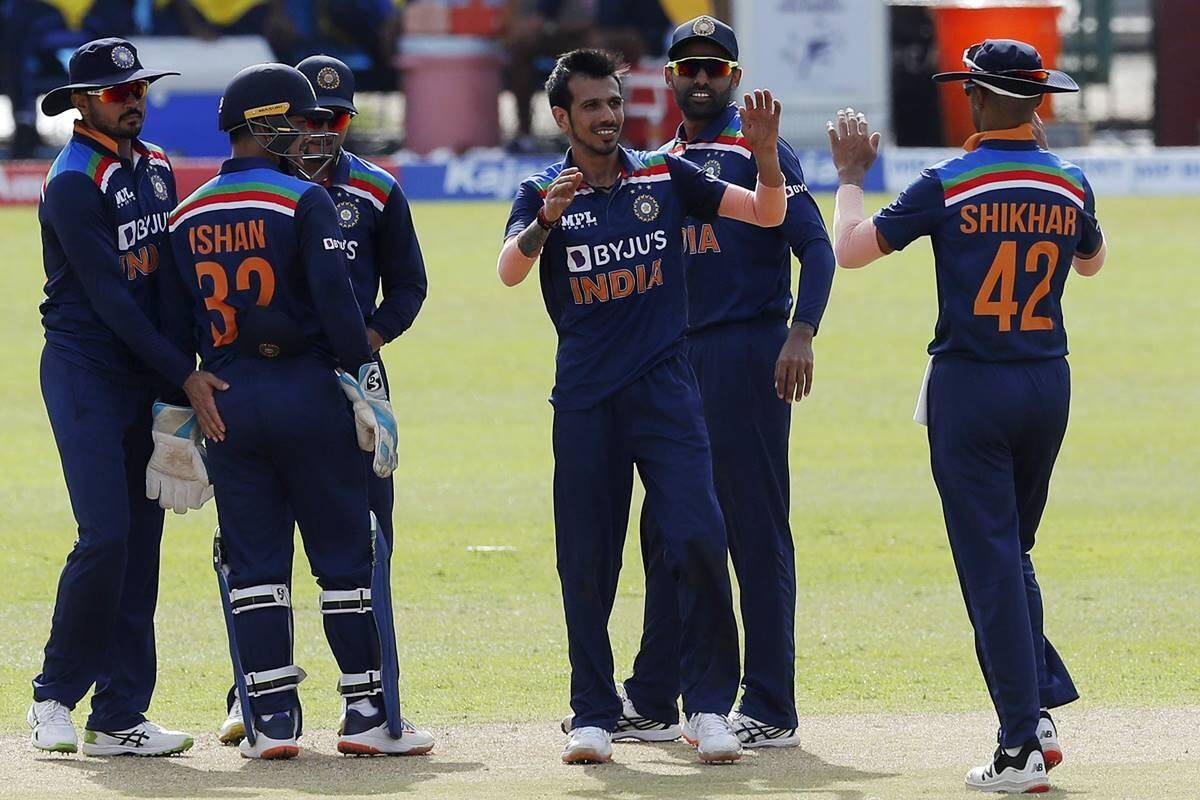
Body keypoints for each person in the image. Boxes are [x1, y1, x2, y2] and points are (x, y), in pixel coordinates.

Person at [827, 39, 1106, 793]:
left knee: (989, 567)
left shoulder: (947, 182)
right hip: (1048, 383)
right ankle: (1037, 712)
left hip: (973, 386)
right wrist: (1044, 169)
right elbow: (1090, 261)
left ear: (977, 98)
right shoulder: (1071, 181)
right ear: (1038, 102)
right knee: (1011, 553)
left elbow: (849, 252)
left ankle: (1018, 747)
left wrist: (850, 178)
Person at [497, 47, 789, 765]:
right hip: (589, 401)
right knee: (587, 562)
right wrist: (545, 224)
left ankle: (711, 708)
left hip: (667, 395)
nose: (607, 117)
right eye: (592, 106)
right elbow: (509, 270)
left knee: (697, 537)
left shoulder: (663, 172)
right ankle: (593, 713)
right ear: (563, 116)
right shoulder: (543, 189)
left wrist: (767, 156)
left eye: (614, 104)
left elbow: (765, 211)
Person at [161, 62, 432, 759]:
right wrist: (354, 373)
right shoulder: (301, 200)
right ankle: (367, 716)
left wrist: (192, 388)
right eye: (296, 119)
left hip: (225, 402)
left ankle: (271, 722)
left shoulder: (187, 212)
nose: (307, 132)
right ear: (267, 125)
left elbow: (174, 326)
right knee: (345, 556)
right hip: (311, 391)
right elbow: (343, 318)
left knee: (253, 564)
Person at [611, 15, 835, 749]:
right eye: (688, 68)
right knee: (667, 527)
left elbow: (817, 250)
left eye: (714, 68)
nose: (701, 79)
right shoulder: (661, 160)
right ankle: (653, 696)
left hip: (748, 352)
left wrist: (802, 332)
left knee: (752, 527)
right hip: (671, 361)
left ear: (734, 77)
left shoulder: (758, 150)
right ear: (670, 78)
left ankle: (769, 702)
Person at [29, 37, 226, 757]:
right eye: (118, 93)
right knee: (106, 534)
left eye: (140, 88)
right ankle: (53, 695)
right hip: (86, 370)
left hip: (151, 375)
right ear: (83, 103)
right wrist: (185, 374)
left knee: (142, 545)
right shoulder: (73, 180)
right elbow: (111, 300)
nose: (133, 100)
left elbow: (172, 279)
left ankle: (118, 716)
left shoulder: (160, 166)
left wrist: (198, 366)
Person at [504, 0, 671, 152]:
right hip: (575, 33)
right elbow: (546, 12)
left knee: (597, 43)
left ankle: (614, 138)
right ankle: (524, 135)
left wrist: (574, 26)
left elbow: (637, 20)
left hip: (633, 34)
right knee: (523, 43)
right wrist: (545, 24)